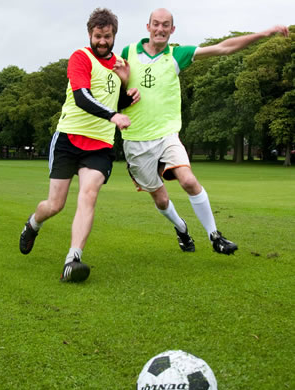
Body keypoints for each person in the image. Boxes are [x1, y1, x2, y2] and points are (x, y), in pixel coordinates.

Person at [117, 8, 289, 255]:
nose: (160, 29)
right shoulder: (128, 52)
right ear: (148, 27)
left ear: (172, 30)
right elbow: (114, 90)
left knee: (188, 180)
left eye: (166, 25)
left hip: (167, 135)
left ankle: (215, 236)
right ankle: (181, 228)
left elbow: (224, 48)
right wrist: (123, 89)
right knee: (162, 200)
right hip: (135, 140)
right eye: (156, 24)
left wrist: (264, 33)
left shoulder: (177, 54)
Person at [19, 8, 139, 282]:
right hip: (68, 140)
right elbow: (83, 97)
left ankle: (72, 259)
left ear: (113, 36)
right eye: (98, 36)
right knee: (55, 204)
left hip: (100, 145)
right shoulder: (80, 57)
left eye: (107, 37)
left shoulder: (119, 65)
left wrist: (127, 93)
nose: (102, 42)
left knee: (89, 194)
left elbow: (113, 102)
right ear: (90, 34)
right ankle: (33, 224)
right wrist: (113, 114)